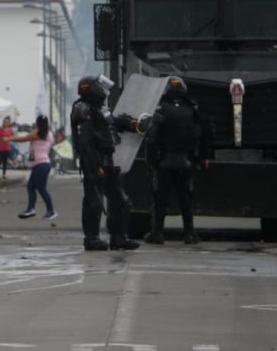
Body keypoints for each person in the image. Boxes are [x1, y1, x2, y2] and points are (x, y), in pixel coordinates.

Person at [71, 74, 140, 251]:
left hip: (109, 160)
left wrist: (131, 123)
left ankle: (119, 238)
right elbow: (84, 142)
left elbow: (113, 123)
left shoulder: (101, 109)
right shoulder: (82, 108)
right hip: (95, 162)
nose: (104, 91)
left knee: (121, 201)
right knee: (94, 201)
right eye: (100, 87)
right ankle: (92, 239)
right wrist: (95, 166)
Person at [143, 76, 213, 245]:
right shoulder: (193, 109)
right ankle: (189, 233)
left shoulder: (160, 109)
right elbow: (205, 134)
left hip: (164, 161)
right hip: (186, 161)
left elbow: (151, 139)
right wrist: (203, 157)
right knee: (185, 199)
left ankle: (157, 233)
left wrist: (152, 162)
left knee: (160, 199)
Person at [6, 115, 56, 220]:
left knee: (41, 188)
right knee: (31, 186)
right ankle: (30, 209)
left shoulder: (37, 133)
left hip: (41, 164)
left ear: (38, 123)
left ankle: (51, 211)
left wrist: (9, 138)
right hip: (41, 164)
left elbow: (24, 138)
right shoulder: (48, 134)